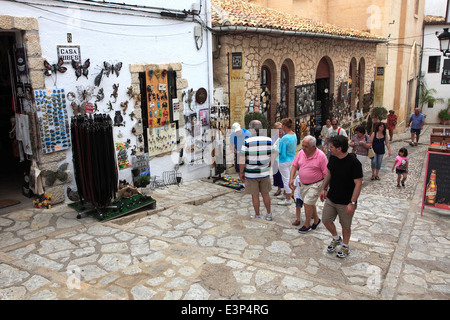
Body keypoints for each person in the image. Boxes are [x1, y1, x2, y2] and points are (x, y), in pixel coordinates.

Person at [320, 135, 363, 258]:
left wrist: (352, 202)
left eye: (331, 147)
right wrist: (324, 188)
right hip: (332, 197)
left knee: (345, 225)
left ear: (339, 149)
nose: (329, 148)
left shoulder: (354, 163)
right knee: (326, 220)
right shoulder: (333, 158)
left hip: (346, 201)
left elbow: (358, 183)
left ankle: (345, 246)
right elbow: (329, 173)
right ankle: (336, 238)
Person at [289, 135, 328, 233]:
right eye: (303, 145)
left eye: (306, 146)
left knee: (307, 203)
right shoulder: (301, 153)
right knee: (310, 203)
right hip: (303, 184)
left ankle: (307, 224)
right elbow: (294, 165)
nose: (303, 148)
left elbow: (326, 173)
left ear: (313, 147)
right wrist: (291, 178)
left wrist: (325, 188)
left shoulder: (321, 156)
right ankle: (316, 220)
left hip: (316, 184)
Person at [239, 120, 273, 221]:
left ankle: (257, 215)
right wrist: (268, 166)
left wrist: (241, 172)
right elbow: (272, 155)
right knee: (265, 194)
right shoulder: (269, 140)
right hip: (264, 172)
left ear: (252, 130)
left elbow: (242, 159)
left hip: (251, 173)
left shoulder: (247, 142)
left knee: (255, 195)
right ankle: (269, 214)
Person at [276, 118, 297, 206]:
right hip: (291, 159)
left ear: (284, 126)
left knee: (286, 179)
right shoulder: (294, 135)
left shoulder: (285, 138)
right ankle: (285, 194)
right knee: (287, 177)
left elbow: (281, 151)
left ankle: (288, 198)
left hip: (284, 160)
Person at [230, 122, 251, 190]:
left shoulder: (247, 133)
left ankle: (248, 183)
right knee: (238, 169)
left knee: (246, 168)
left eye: (239, 131)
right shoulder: (233, 134)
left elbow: (251, 144)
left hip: (247, 153)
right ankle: (243, 183)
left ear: (241, 127)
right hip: (239, 153)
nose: (238, 133)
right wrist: (233, 150)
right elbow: (231, 144)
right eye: (236, 132)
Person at [271, 122, 284, 196]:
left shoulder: (286, 137)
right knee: (276, 174)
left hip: (283, 158)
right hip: (275, 158)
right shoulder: (274, 138)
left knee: (284, 174)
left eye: (280, 128)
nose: (279, 130)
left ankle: (286, 190)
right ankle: (279, 189)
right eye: (277, 129)